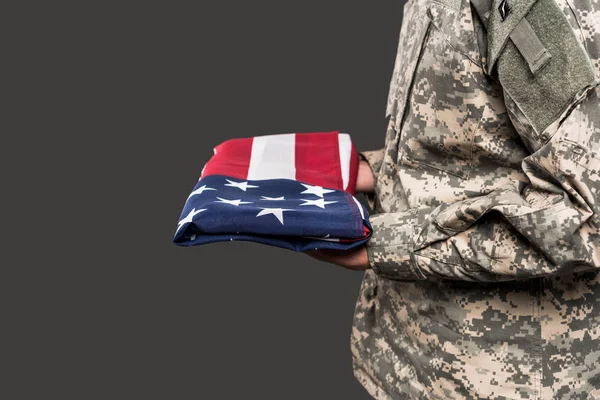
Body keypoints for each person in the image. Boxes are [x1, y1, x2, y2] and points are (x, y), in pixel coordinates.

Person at [305, 0, 600, 398]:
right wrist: (372, 171)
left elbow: (585, 216)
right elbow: (475, 141)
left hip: (502, 377)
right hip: (409, 357)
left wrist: (382, 243)